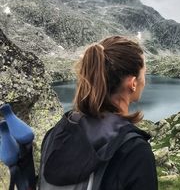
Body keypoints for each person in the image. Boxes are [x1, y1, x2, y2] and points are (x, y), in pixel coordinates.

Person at [39, 36, 158, 189]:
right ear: (133, 83)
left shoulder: (56, 133)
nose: (145, 80)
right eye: (144, 73)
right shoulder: (135, 151)